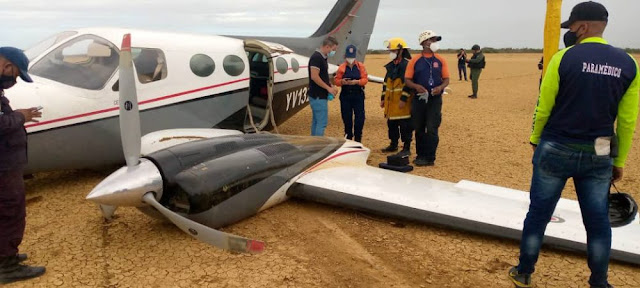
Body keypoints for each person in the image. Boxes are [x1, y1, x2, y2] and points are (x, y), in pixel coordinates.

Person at [508, 2, 640, 288]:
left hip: (557, 141)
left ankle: (524, 271)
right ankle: (600, 282)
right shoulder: (629, 63)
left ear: (583, 26)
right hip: (601, 146)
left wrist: (535, 140)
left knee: (539, 214)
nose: (572, 32)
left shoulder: (563, 57)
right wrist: (618, 161)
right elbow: (627, 121)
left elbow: (544, 106)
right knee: (598, 221)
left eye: (572, 27)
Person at [0, 47, 46, 284]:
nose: (14, 80)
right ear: (6, 65)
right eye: (16, 74)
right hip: (3, 167)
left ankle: (6, 255)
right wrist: (20, 117)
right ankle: (7, 267)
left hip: (6, 163)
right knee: (10, 211)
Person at [405, 30, 450, 166]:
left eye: (436, 40)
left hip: (434, 100)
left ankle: (430, 157)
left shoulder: (441, 60)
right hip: (419, 99)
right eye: (433, 40)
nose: (435, 43)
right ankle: (420, 155)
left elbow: (446, 79)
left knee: (432, 128)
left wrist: (440, 87)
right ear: (424, 42)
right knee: (419, 128)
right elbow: (407, 79)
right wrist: (416, 86)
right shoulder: (415, 60)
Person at [380, 37, 413, 154]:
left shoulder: (407, 66)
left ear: (401, 51)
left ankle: (406, 147)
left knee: (405, 126)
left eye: (393, 51)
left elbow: (409, 85)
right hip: (391, 103)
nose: (391, 53)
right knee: (391, 124)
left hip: (402, 103)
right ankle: (393, 144)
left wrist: (404, 99)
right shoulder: (390, 66)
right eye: (390, 51)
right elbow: (385, 83)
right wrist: (383, 98)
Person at [335, 44, 368, 142]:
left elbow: (365, 79)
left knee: (360, 118)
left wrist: (357, 82)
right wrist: (342, 82)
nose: (351, 59)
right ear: (345, 56)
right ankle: (348, 138)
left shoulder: (360, 66)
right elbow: (336, 81)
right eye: (349, 56)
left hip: (358, 94)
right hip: (345, 95)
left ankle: (358, 138)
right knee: (346, 118)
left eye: (352, 56)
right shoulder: (341, 67)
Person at [308, 36, 339, 136]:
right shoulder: (317, 58)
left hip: (318, 95)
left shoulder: (322, 58)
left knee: (316, 122)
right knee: (321, 123)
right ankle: (318, 146)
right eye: (333, 49)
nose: (333, 52)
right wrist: (328, 88)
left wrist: (330, 85)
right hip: (318, 96)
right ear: (327, 47)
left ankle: (314, 144)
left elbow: (322, 76)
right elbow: (314, 76)